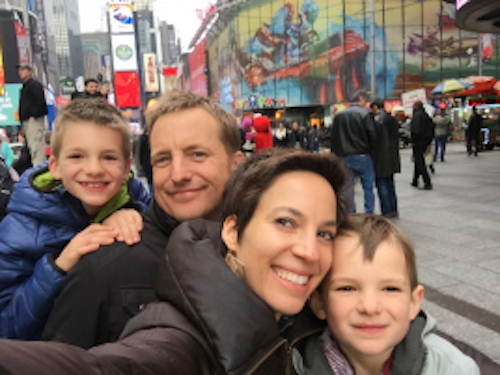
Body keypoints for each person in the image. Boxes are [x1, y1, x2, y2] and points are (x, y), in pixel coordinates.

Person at [0, 148, 348, 375]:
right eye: (285, 222)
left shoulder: (306, 319)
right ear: (232, 232)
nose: (309, 251)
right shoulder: (179, 344)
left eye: (325, 234)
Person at [41, 90, 246, 348]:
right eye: (163, 159)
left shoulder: (268, 251)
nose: (178, 173)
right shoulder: (103, 267)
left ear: (235, 163)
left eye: (197, 154)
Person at [0, 99, 151, 340]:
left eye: (109, 157)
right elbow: (6, 329)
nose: (93, 169)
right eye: (77, 156)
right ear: (55, 166)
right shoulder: (18, 230)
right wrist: (58, 266)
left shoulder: (144, 209)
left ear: (126, 168)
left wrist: (134, 211)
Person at [298, 213, 480, 375]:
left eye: (390, 289)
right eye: (347, 288)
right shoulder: (295, 366)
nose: (369, 307)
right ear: (319, 303)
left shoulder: (452, 368)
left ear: (413, 302)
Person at [330, 90, 377, 213]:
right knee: (368, 187)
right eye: (365, 101)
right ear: (360, 100)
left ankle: (351, 213)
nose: (366, 104)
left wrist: (336, 154)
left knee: (348, 188)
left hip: (345, 156)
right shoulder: (365, 114)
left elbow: (333, 137)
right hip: (362, 155)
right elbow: (373, 135)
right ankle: (369, 212)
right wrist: (371, 151)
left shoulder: (339, 115)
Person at [370, 99, 400, 218]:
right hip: (391, 157)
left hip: (381, 159)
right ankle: (393, 209)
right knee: (390, 184)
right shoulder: (391, 119)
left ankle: (386, 211)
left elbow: (376, 141)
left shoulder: (378, 121)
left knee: (382, 184)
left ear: (376, 107)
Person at [17, 64, 48, 167]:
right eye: (20, 70)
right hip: (28, 121)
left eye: (23, 70)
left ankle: (39, 170)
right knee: (31, 148)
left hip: (34, 120)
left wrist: (33, 115)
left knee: (36, 148)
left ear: (30, 72)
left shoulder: (35, 85)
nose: (21, 72)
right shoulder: (26, 86)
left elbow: (40, 103)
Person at [410, 101, 434, 190]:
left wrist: (413, 140)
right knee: (418, 161)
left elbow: (415, 130)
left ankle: (427, 182)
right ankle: (415, 180)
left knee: (420, 162)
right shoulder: (426, 115)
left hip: (418, 142)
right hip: (425, 141)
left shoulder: (417, 116)